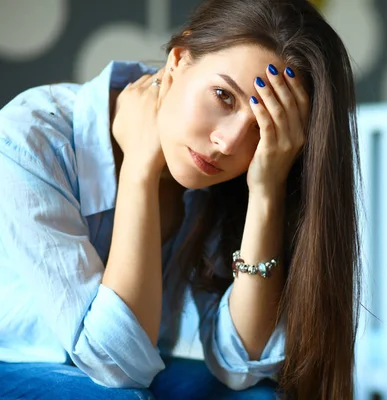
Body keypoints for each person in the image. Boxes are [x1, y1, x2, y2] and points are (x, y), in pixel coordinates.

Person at [0, 0, 361, 398]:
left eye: (262, 129)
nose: (228, 142)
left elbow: (239, 363)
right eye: (224, 95)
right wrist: (140, 167)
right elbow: (117, 364)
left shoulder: (228, 178)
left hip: (124, 362)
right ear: (178, 61)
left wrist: (266, 191)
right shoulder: (29, 137)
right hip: (16, 360)